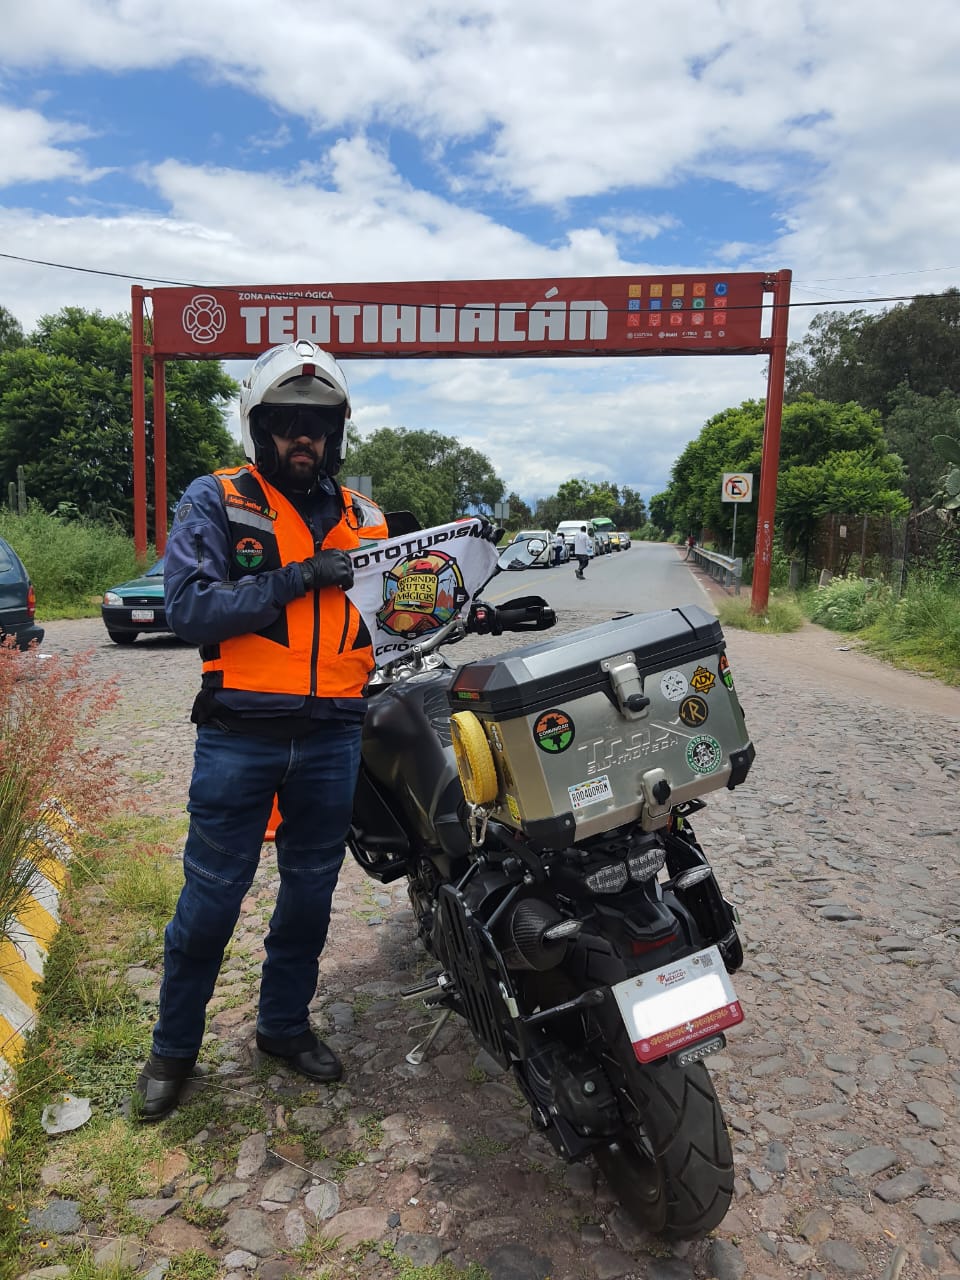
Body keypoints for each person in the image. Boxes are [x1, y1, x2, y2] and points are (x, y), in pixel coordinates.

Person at [132, 339, 391, 1122]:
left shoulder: (367, 518)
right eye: (284, 421)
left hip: (334, 737)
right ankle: (173, 1049)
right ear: (259, 426)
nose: (300, 437)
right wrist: (298, 578)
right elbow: (190, 609)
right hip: (240, 735)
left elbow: (394, 623)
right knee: (211, 899)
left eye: (315, 424)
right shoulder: (216, 500)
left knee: (310, 897)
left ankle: (282, 1027)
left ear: (337, 432)